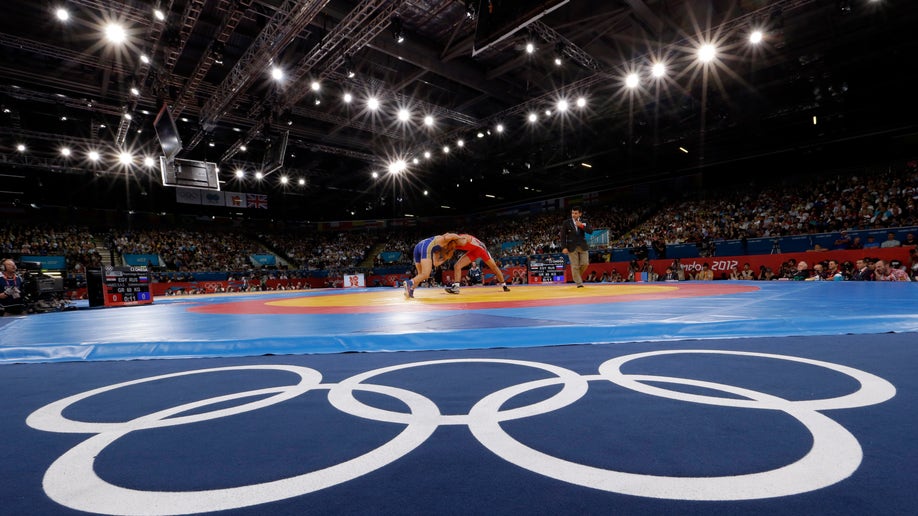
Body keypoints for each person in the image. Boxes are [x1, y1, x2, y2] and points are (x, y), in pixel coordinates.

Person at [444, 234, 509, 294]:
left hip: (481, 250)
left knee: (494, 267)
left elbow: (463, 241)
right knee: (457, 266)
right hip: (474, 251)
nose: (450, 248)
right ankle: (456, 287)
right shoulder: (453, 244)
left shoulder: (461, 239)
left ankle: (504, 285)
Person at [405, 233, 459, 298]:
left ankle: (410, 290)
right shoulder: (444, 240)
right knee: (425, 274)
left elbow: (436, 263)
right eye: (452, 247)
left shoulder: (438, 250)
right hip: (426, 246)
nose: (452, 248)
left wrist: (445, 259)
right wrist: (460, 237)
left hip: (418, 247)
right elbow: (450, 235)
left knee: (420, 275)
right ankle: (409, 282)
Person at [560, 206, 593, 287]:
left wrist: (581, 226)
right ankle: (579, 283)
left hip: (583, 246)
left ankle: (576, 276)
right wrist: (564, 247)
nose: (573, 215)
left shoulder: (584, 221)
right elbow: (563, 236)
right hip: (571, 246)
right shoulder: (566, 223)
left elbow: (590, 231)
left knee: (585, 263)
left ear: (580, 214)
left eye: (575, 213)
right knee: (575, 265)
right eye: (572, 213)